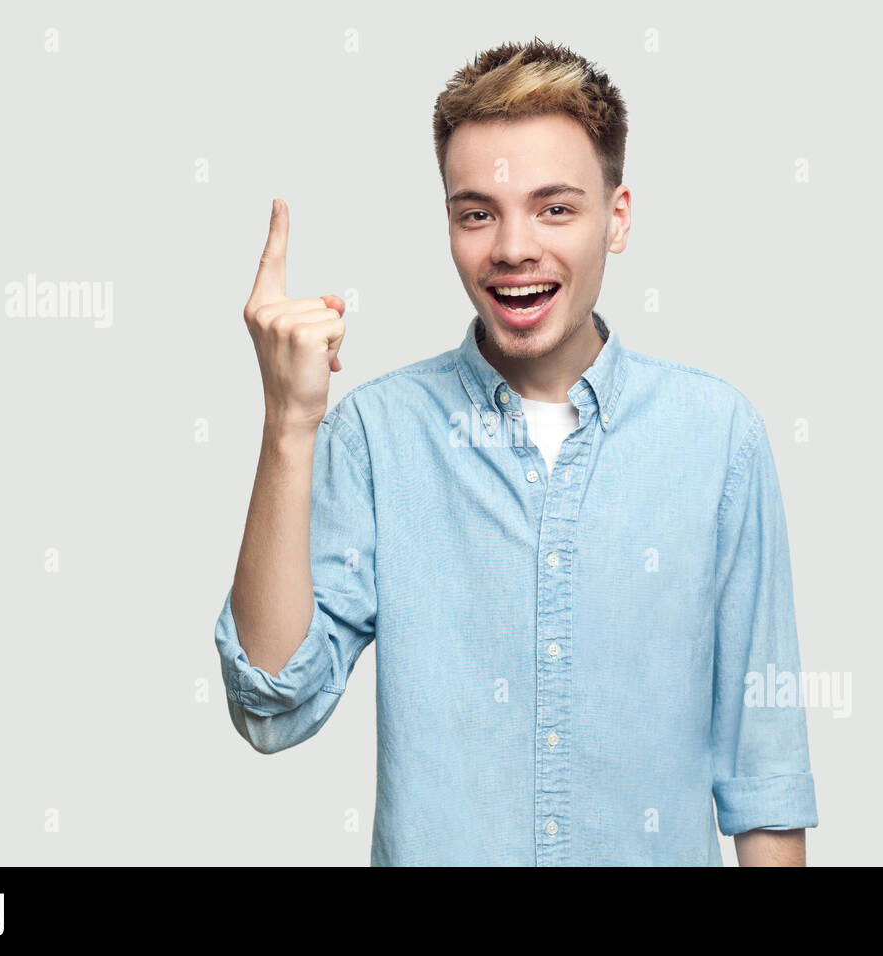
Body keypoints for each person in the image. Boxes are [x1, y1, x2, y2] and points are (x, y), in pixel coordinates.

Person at [214, 38, 819, 866]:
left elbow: (764, 776)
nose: (512, 247)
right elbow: (274, 703)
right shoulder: (376, 436)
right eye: (477, 212)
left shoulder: (717, 439)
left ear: (619, 217)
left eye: (556, 208)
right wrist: (288, 424)